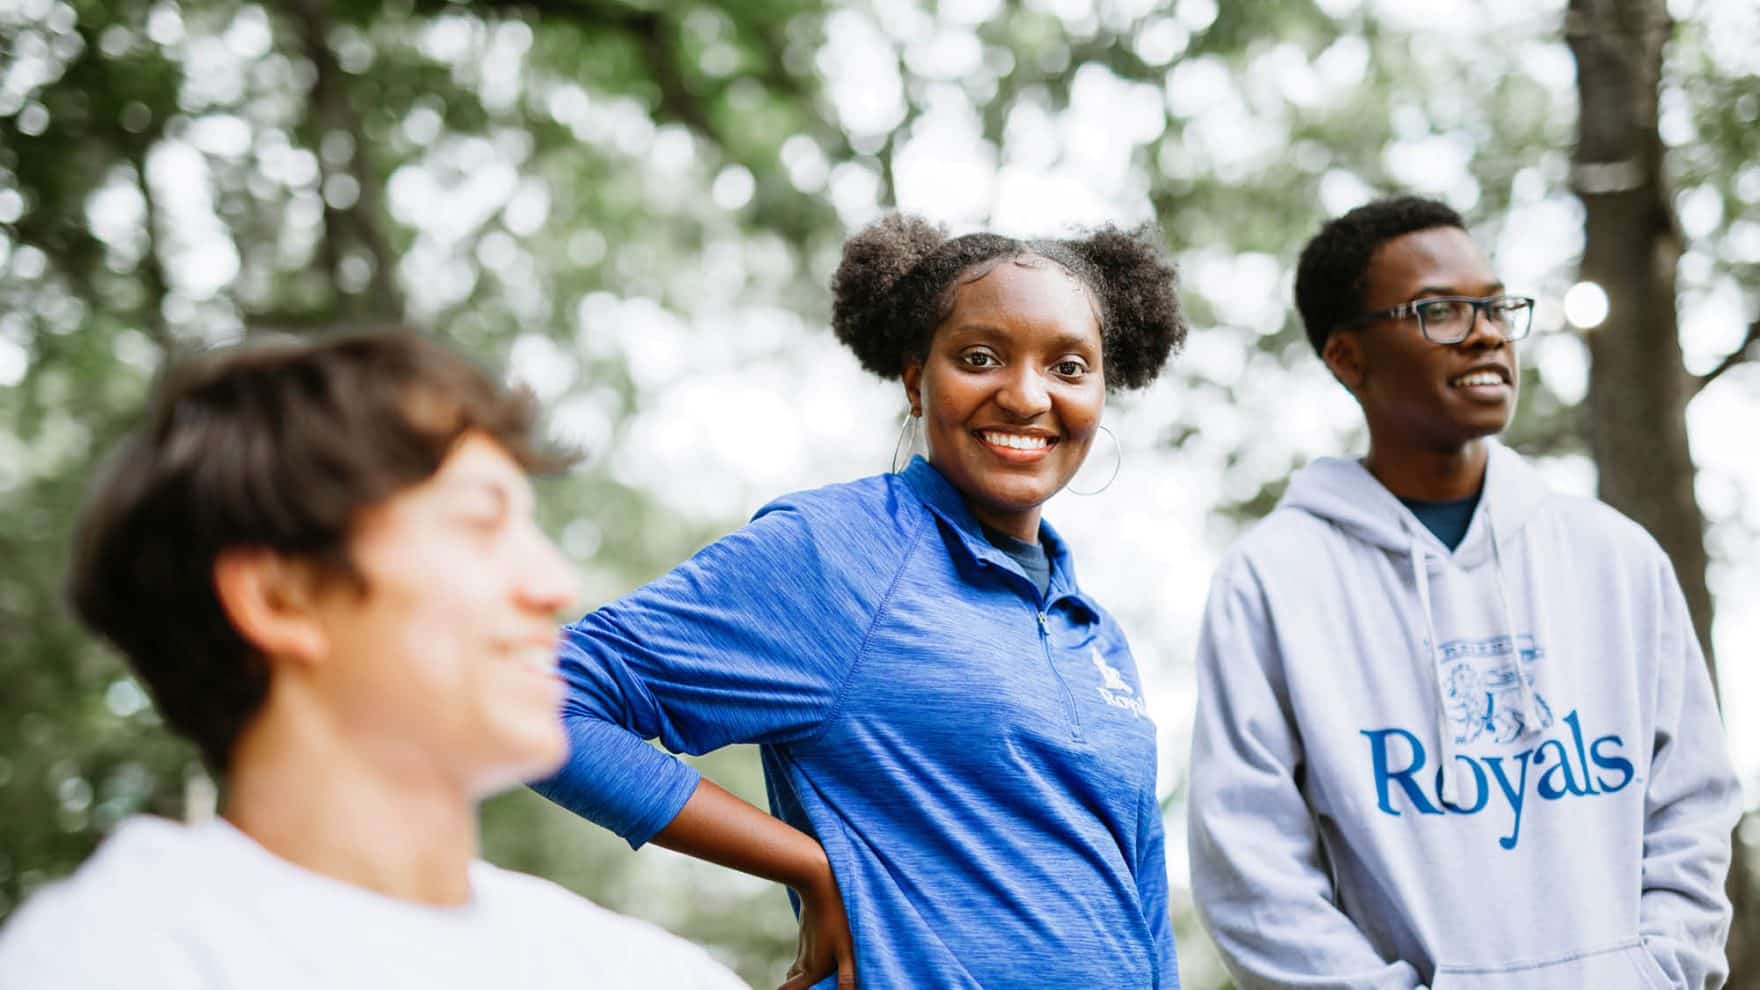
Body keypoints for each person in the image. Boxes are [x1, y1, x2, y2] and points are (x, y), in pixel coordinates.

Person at [534, 214, 1189, 989]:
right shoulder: (838, 552)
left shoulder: (1097, 633)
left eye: (1070, 368)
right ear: (917, 379)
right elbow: (535, 699)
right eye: (980, 358)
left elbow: (1139, 903)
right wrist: (813, 866)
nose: (1025, 395)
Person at [0, 330, 743, 989]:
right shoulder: (104, 964)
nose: (555, 584)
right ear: (280, 600)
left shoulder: (644, 971)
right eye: (481, 524)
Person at [1187, 196, 1742, 989]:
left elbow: (1692, 806)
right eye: (1440, 311)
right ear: (1348, 359)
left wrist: (1659, 973)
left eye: (1493, 306)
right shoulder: (1273, 581)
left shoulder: (1615, 559)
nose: (1485, 331)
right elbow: (1250, 870)